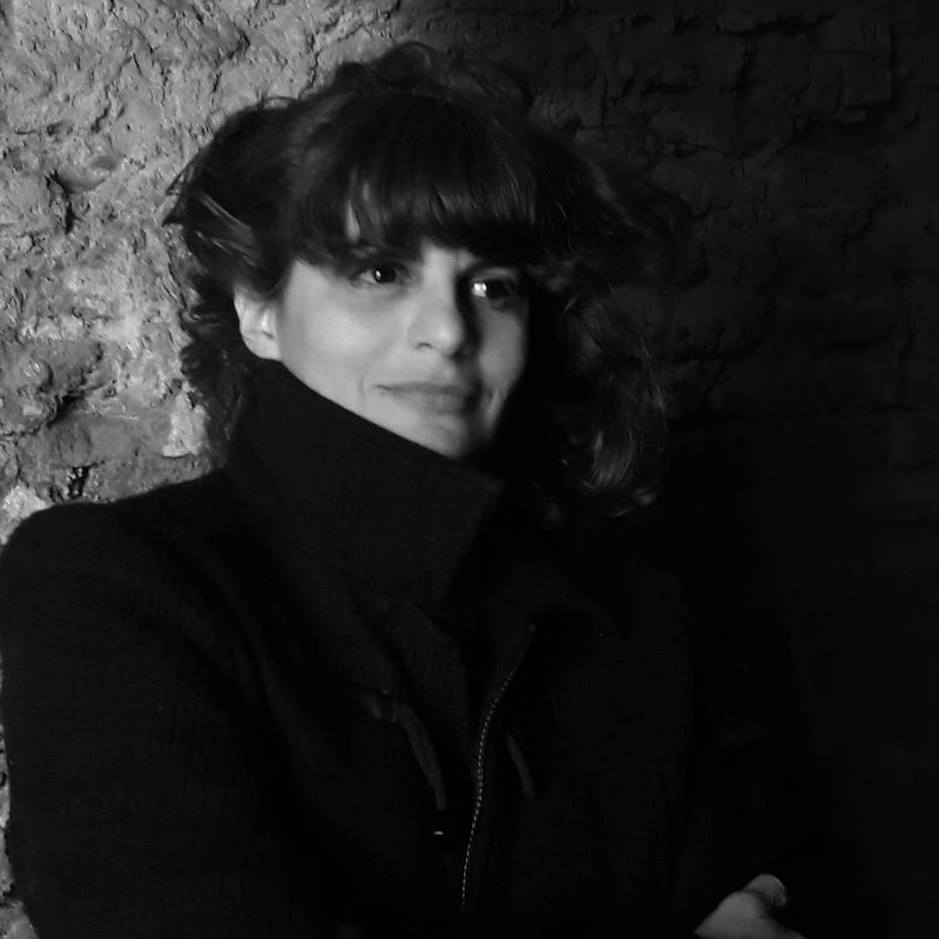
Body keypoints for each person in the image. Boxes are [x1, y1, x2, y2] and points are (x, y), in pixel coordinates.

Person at [0, 43, 803, 939]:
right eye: (381, 273)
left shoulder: (630, 614)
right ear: (259, 312)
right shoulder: (120, 586)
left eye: (491, 286)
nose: (448, 330)